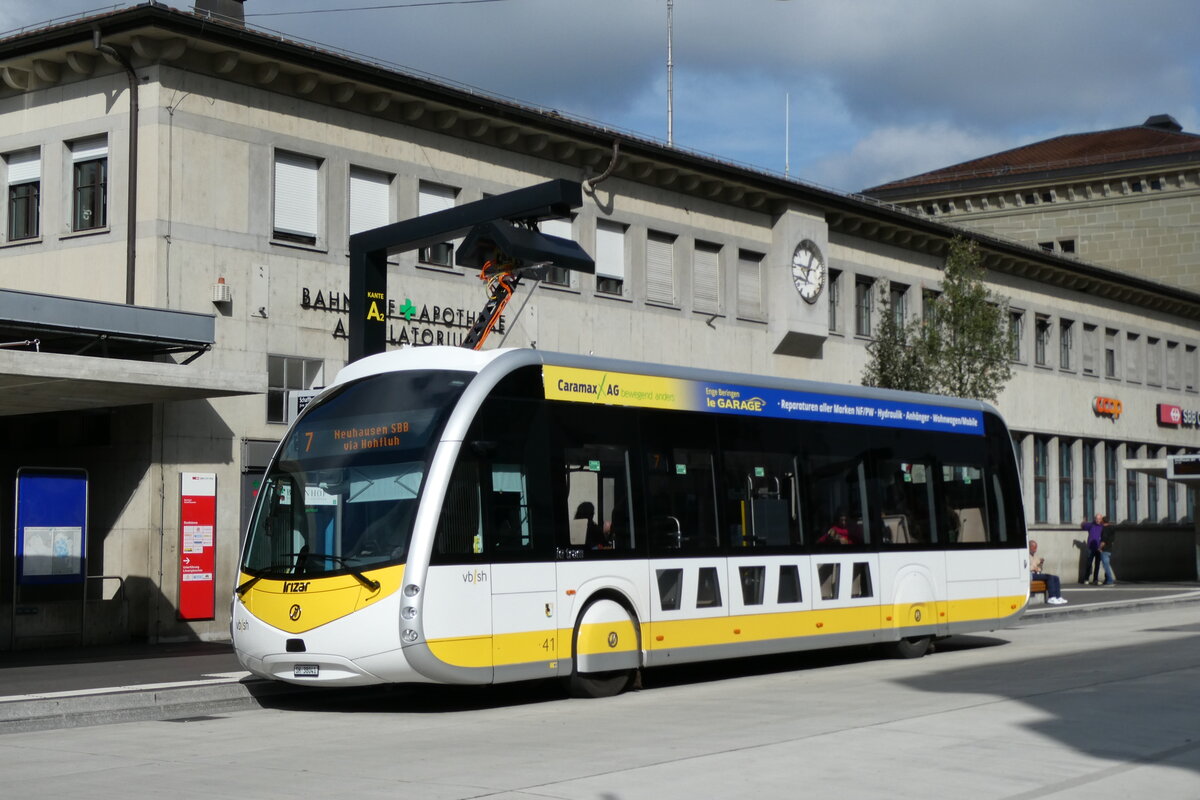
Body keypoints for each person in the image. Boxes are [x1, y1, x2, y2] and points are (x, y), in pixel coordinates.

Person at [1029, 540, 1068, 605]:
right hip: (1031, 575)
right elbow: (1027, 568)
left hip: (1037, 573)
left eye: (1036, 548)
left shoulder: (1035, 556)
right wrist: (1034, 568)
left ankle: (1058, 597)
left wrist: (1040, 564)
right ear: (1030, 547)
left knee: (1055, 578)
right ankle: (1051, 597)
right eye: (1034, 548)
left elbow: (1039, 569)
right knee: (1049, 577)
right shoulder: (1025, 555)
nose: (1035, 550)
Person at [1081, 513, 1115, 585]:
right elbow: (1083, 526)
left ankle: (1095, 579)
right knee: (1089, 563)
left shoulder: (1103, 526)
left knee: (1097, 564)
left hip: (1099, 548)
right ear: (1094, 518)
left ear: (1101, 519)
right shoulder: (1091, 525)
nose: (1098, 520)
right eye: (1096, 518)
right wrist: (1083, 522)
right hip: (1091, 547)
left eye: (1099, 519)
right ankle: (1086, 578)